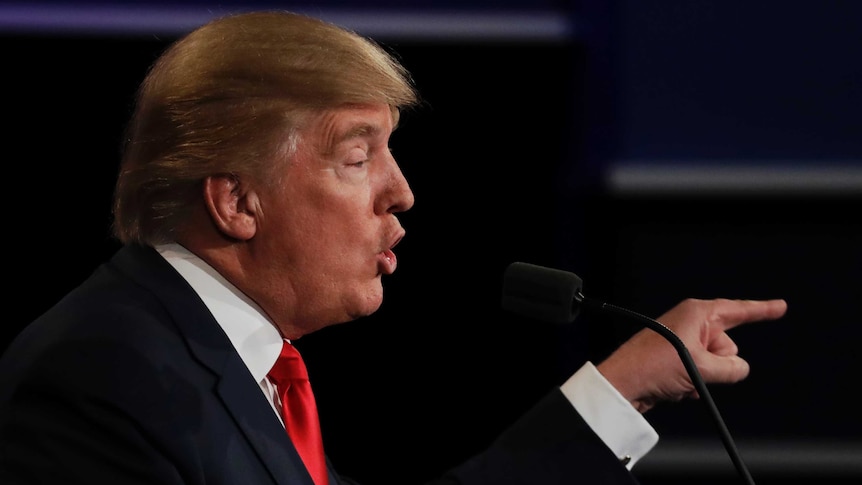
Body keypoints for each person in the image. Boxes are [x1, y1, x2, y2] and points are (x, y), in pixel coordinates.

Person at [0, 10, 787, 485]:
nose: (401, 191)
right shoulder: (97, 375)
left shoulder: (223, 357)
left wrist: (623, 384)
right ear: (238, 200)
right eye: (358, 155)